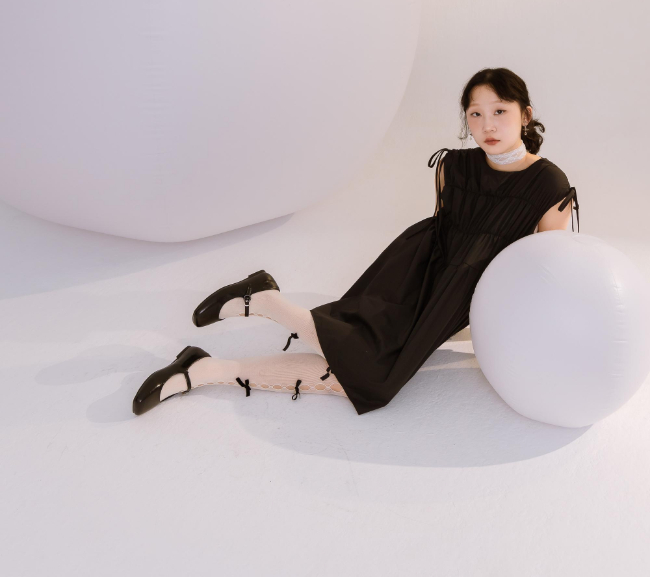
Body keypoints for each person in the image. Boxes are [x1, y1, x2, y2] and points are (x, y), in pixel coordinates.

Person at [133, 67, 579, 417]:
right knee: (363, 363)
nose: (486, 124)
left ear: (525, 113)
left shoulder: (549, 184)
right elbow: (444, 232)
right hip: (418, 270)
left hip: (461, 295)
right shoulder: (454, 166)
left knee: (369, 377)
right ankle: (255, 310)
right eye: (475, 113)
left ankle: (206, 366)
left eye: (499, 111)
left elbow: (545, 271)